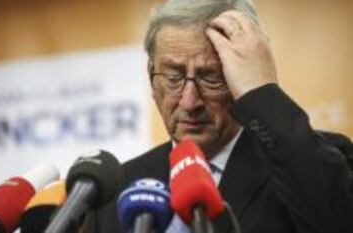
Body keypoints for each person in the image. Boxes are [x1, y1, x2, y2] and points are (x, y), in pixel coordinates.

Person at [83, 0, 353, 232]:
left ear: (245, 78)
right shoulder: (114, 192)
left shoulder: (317, 164)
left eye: (211, 78)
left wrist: (262, 92)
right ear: (151, 77)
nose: (189, 101)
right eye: (173, 77)